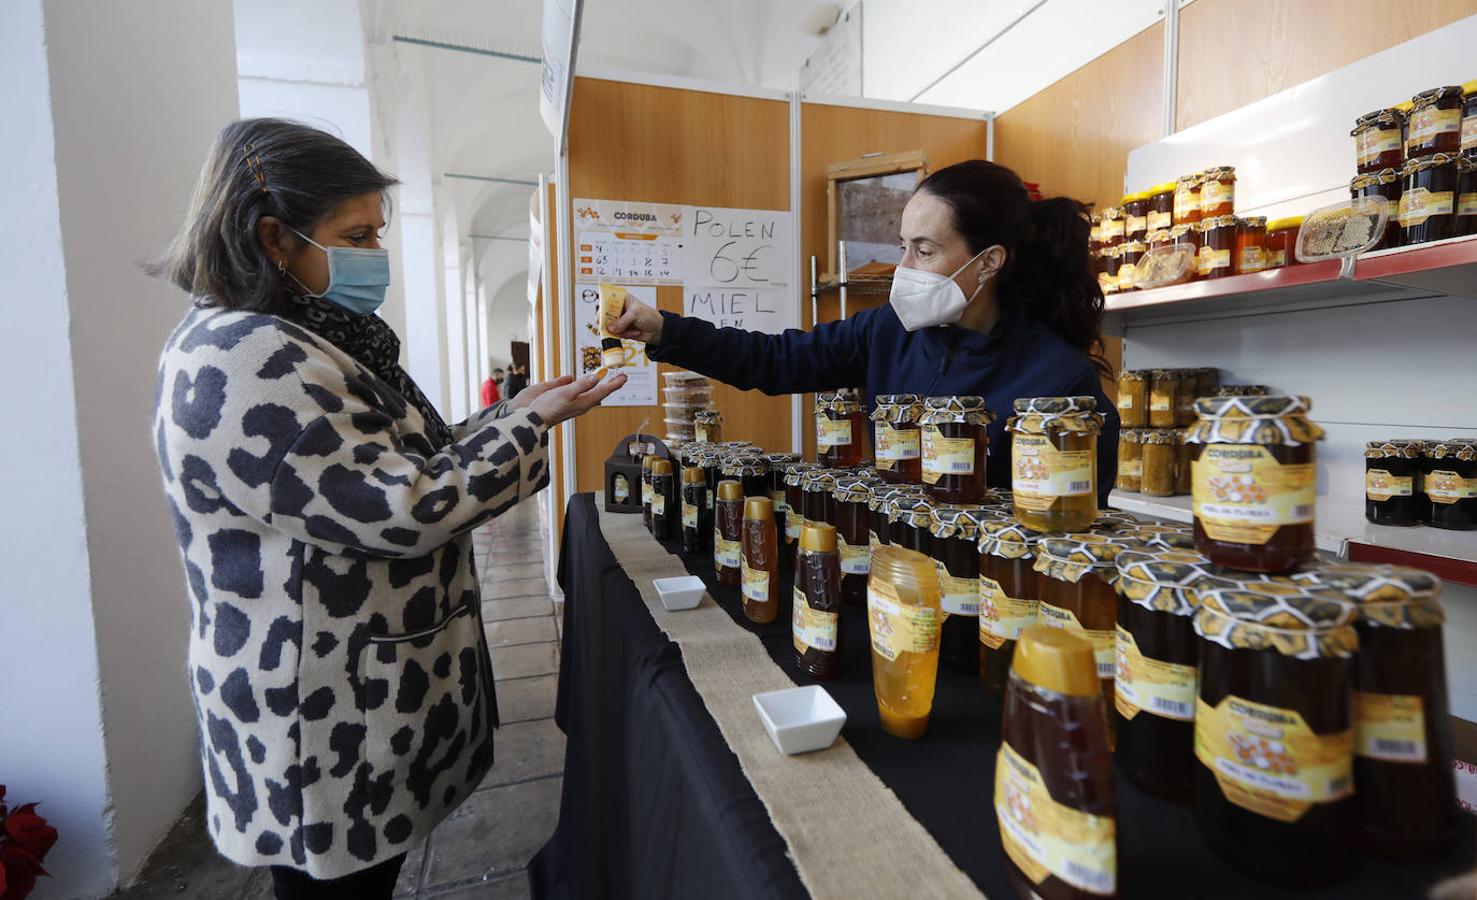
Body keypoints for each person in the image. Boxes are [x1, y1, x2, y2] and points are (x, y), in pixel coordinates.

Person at [148, 118, 625, 900]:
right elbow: (401, 505)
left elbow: (399, 460)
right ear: (273, 238)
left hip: (362, 690)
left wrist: (517, 411)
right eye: (356, 233)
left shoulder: (314, 337)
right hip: (319, 715)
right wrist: (529, 425)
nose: (375, 253)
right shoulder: (246, 356)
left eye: (376, 231)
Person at [609, 159, 1118, 499]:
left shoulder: (1061, 383)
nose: (904, 267)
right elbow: (774, 360)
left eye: (924, 250)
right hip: (891, 568)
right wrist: (662, 329)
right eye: (903, 246)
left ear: (989, 263)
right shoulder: (889, 331)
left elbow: (1070, 532)